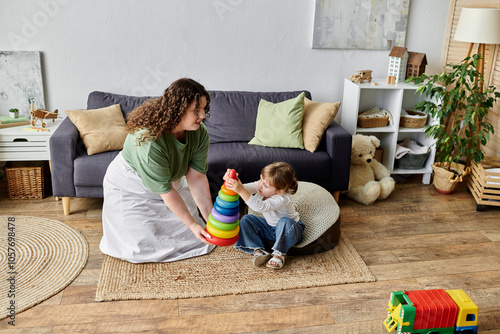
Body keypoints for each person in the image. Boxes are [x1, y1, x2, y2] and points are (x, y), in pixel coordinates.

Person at [99, 78, 215, 263]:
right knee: (140, 247)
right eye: (196, 110)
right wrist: (192, 225)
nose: (202, 116)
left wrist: (211, 221)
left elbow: (197, 177)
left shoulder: (199, 133)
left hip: (170, 182)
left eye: (204, 109)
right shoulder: (148, 139)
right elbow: (165, 190)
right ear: (178, 109)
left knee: (194, 237)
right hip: (132, 185)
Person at [224, 162, 305, 269]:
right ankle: (258, 249)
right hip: (271, 229)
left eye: (266, 185)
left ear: (280, 191)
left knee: (285, 221)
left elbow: (259, 207)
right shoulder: (262, 186)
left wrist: (240, 190)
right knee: (246, 219)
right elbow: (245, 189)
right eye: (261, 179)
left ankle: (279, 254)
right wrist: (234, 182)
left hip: (290, 230)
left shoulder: (282, 198)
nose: (260, 185)